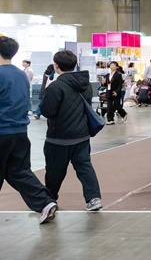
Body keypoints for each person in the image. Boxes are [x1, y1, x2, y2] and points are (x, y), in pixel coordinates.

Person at [0, 36, 59, 224]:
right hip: (19, 131)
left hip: (1, 131)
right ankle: (45, 202)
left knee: (17, 171)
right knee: (19, 171)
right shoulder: (21, 75)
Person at [39, 50, 102, 211]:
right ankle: (94, 198)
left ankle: (50, 199)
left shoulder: (55, 86)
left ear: (56, 66)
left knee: (54, 171)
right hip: (81, 134)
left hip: (59, 136)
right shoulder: (85, 84)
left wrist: (46, 92)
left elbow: (48, 111)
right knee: (84, 167)